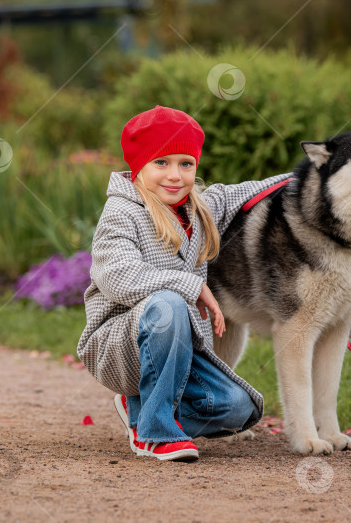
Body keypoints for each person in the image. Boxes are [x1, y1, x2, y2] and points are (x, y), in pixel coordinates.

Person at [77, 105, 292, 461]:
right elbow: (118, 277)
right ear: (138, 167)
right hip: (120, 343)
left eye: (185, 164)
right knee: (169, 303)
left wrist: (323, 170)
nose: (175, 175)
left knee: (239, 410)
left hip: (182, 353)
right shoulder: (122, 212)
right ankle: (154, 433)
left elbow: (256, 190)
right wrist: (192, 286)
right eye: (161, 163)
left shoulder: (202, 207)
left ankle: (142, 409)